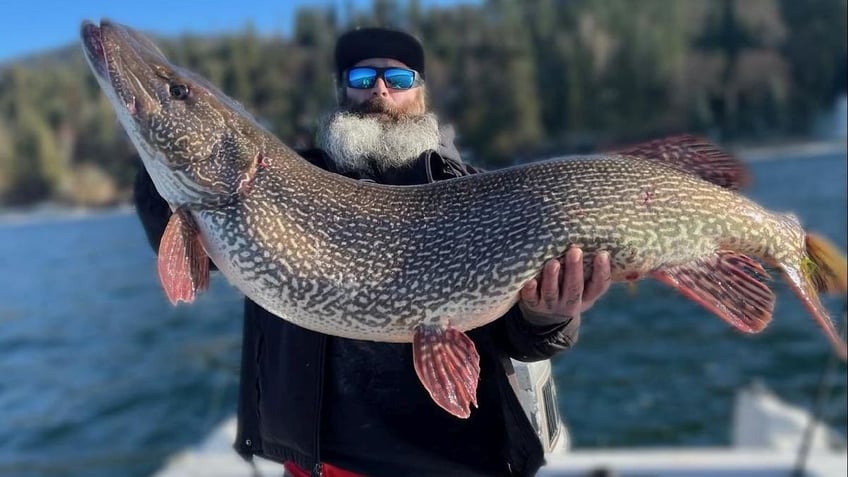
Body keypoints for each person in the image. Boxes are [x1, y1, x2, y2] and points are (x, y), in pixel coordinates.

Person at [133, 26, 611, 477]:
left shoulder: (474, 191)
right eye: (363, 77)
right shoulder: (281, 179)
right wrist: (158, 148)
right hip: (321, 462)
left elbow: (521, 338)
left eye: (397, 77)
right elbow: (184, 242)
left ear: (420, 92)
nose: (380, 91)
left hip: (459, 462)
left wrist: (551, 315)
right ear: (343, 92)